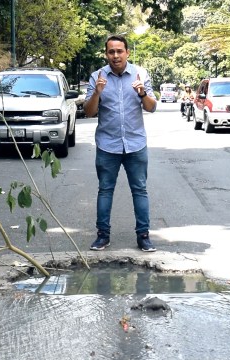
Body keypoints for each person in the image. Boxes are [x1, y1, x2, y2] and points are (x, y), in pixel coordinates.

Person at [83, 35, 158, 252]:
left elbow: (151, 107)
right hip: (108, 144)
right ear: (106, 54)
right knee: (105, 190)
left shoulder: (140, 74)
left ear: (127, 52)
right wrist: (97, 92)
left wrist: (142, 92)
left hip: (136, 144)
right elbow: (89, 112)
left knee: (140, 190)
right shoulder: (96, 76)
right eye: (111, 52)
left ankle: (143, 236)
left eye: (119, 51)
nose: (115, 56)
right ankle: (102, 236)